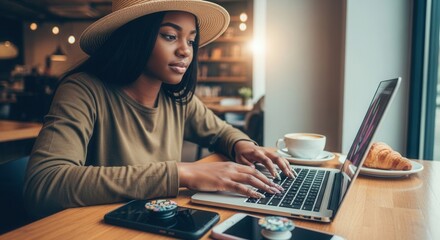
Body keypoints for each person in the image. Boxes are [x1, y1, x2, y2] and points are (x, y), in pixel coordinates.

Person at [24, 0, 296, 219]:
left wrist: (241, 144)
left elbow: (220, 131)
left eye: (190, 41)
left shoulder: (176, 98)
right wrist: (180, 173)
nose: (185, 51)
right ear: (134, 37)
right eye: (169, 36)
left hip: (156, 222)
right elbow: (46, 183)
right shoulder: (83, 90)